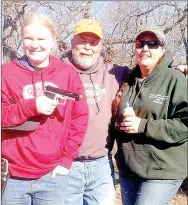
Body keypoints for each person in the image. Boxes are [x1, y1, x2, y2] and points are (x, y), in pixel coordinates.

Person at [1, 13, 89, 205]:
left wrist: (66, 160)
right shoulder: (6, 73)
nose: (35, 45)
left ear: (53, 41)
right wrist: (31, 105)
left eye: (41, 39)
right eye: (28, 38)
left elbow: (80, 118)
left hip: (53, 177)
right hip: (12, 177)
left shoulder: (67, 73)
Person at [111, 25, 188, 205]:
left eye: (152, 44)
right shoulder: (128, 80)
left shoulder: (174, 79)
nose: (145, 48)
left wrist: (143, 125)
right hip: (129, 168)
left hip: (161, 169)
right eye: (140, 43)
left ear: (162, 49)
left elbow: (184, 124)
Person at [61, 18, 129, 205]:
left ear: (100, 47)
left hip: (101, 166)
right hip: (65, 166)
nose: (87, 47)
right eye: (82, 41)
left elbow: (150, 72)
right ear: (72, 42)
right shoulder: (56, 70)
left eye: (93, 43)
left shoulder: (115, 73)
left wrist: (178, 69)